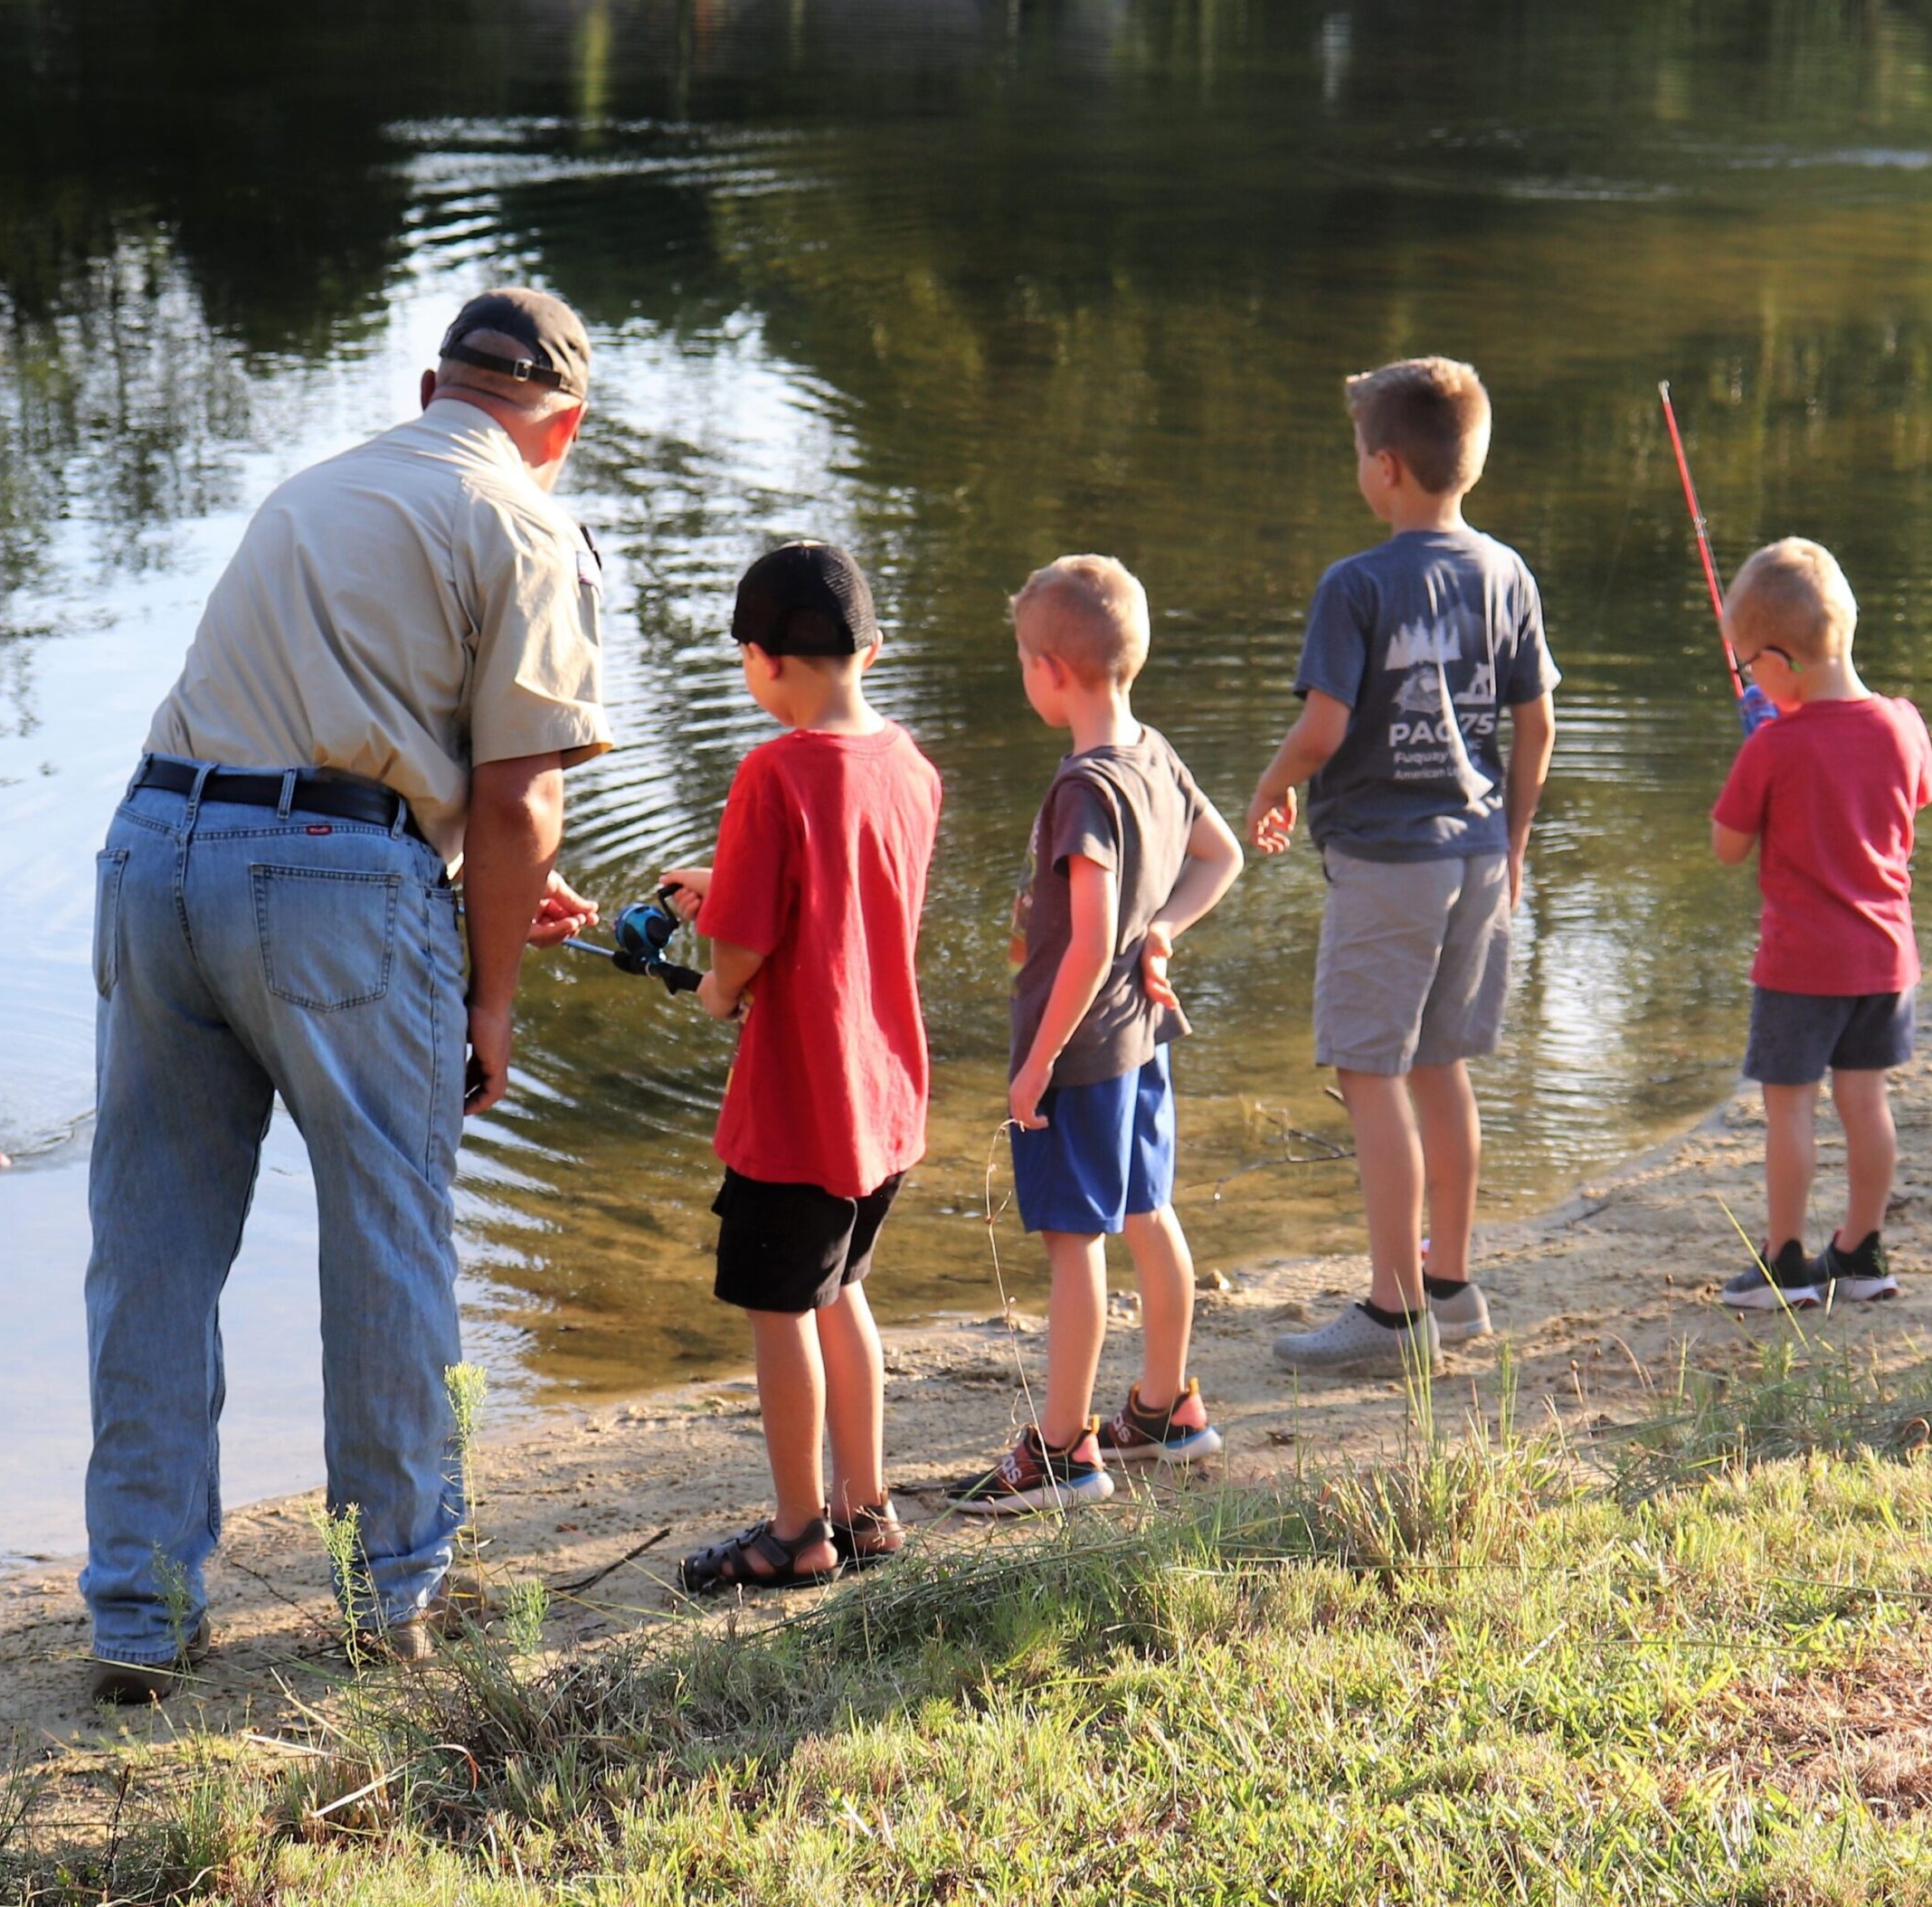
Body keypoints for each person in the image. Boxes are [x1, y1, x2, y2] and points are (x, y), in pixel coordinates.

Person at [82, 289, 612, 1700]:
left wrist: (451, 876)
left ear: (429, 379)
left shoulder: (306, 491)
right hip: (332, 879)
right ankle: (390, 1596)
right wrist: (489, 996)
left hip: (151, 847)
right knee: (386, 1236)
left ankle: (137, 1611)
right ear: (560, 425)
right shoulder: (528, 522)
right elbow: (519, 804)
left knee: (151, 1245)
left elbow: (382, 769)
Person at [1246, 356, 1558, 1380]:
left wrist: (1270, 784)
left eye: (1354, 453)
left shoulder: (1357, 584)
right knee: (1439, 1068)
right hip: (1475, 853)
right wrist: (1511, 843)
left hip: (1388, 862)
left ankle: (1390, 1317)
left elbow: (1325, 723)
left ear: (1382, 468)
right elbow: (1535, 721)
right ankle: (1451, 1287)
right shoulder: (1504, 572)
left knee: (1366, 1071)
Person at [655, 542, 942, 1589]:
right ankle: (866, 1510)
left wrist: (719, 991)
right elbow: (839, 890)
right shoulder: (908, 763)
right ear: (870, 648)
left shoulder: (769, 771)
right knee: (842, 1290)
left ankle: (795, 1531)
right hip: (881, 1097)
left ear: (759, 660)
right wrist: (724, 878)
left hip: (796, 1105)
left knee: (779, 1311)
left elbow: (741, 958)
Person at [946, 556, 1244, 1514]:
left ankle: (1066, 1450)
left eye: (1021, 663)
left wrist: (1033, 1064)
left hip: (1078, 1052)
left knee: (1074, 1242)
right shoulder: (1151, 752)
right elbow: (1220, 856)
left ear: (1049, 671)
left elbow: (1082, 940)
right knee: (1148, 1209)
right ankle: (1167, 1409)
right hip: (1143, 1037)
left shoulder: (1082, 790)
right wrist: (1163, 930)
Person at [1708, 537, 1932, 1310]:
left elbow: (1726, 848)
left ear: (1778, 661)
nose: (1749, 679)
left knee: (1789, 1108)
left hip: (1801, 965)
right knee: (1864, 1102)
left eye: (1748, 665)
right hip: (1885, 959)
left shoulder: (1773, 744)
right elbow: (1915, 796)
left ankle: (1783, 1261)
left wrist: (1759, 748)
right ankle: (1861, 1251)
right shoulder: (1903, 724)